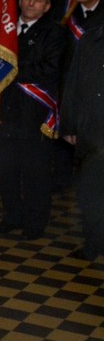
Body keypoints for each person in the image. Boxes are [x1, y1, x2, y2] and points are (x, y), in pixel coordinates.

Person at [0, 0, 64, 240]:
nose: (31, 3)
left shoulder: (54, 34)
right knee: (7, 171)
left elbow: (50, 71)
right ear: (20, 0)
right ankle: (12, 216)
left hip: (35, 115)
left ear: (47, 6)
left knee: (35, 174)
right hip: (5, 112)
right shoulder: (5, 33)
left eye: (38, 0)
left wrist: (14, 68)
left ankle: (34, 222)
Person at [61, 20, 104, 261]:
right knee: (91, 193)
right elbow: (74, 81)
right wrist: (69, 123)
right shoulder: (91, 38)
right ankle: (94, 242)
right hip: (93, 131)